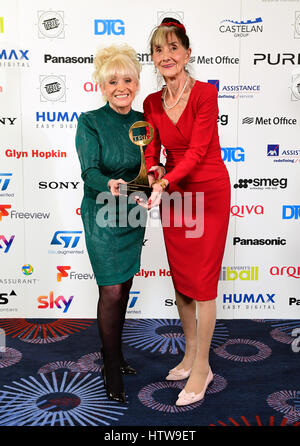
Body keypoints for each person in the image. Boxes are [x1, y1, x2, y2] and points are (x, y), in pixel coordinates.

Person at [142, 18, 231, 406]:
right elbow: (152, 151)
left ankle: (202, 369)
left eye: (173, 48)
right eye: (158, 50)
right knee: (182, 282)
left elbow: (196, 152)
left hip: (208, 190)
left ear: (187, 53)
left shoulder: (205, 95)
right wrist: (155, 172)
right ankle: (191, 354)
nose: (166, 56)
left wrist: (163, 182)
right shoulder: (150, 103)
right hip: (175, 194)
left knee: (204, 281)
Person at [75, 44, 146, 403]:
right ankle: (110, 364)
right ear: (102, 86)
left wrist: (159, 171)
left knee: (126, 286)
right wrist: (110, 184)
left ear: (137, 83)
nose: (121, 86)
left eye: (128, 79)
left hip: (133, 211)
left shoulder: (143, 123)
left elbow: (149, 166)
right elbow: (89, 172)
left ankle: (117, 354)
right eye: (113, 81)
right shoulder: (89, 120)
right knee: (112, 290)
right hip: (102, 211)